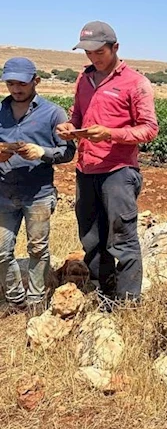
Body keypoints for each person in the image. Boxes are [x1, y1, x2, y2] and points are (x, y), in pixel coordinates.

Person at [55, 21, 159, 308]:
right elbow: (77, 117)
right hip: (86, 169)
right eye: (88, 53)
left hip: (118, 171)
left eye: (99, 52)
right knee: (91, 238)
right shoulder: (83, 79)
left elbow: (149, 129)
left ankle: (127, 304)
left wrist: (110, 133)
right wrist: (68, 126)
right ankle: (105, 293)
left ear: (115, 47)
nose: (93, 58)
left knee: (122, 239)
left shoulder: (135, 82)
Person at [0, 58, 75, 313]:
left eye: (21, 83)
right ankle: (15, 300)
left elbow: (67, 152)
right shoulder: (0, 111)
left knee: (38, 249)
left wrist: (42, 152)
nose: (16, 89)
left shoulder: (53, 113)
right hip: (4, 193)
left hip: (38, 194)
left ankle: (35, 302)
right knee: (1, 252)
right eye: (10, 83)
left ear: (36, 81)